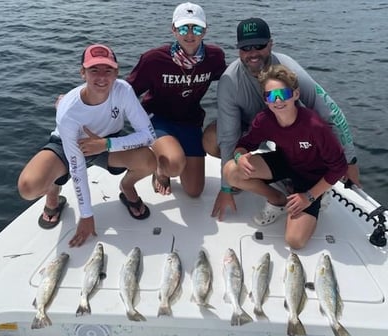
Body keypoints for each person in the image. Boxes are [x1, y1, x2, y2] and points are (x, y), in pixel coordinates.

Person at [203, 17, 360, 221]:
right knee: (212, 138)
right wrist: (226, 187)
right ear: (238, 50)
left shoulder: (288, 69)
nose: (252, 53)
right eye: (245, 48)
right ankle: (274, 195)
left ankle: (303, 181)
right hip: (253, 131)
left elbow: (332, 113)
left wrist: (351, 160)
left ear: (270, 44)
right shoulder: (229, 81)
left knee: (296, 239)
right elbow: (228, 135)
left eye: (259, 46)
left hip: (290, 131)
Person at [18, 44, 157, 247]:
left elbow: (149, 136)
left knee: (148, 161)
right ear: (82, 72)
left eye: (108, 70)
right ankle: (53, 192)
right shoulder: (68, 110)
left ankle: (126, 187)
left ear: (116, 72)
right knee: (28, 187)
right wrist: (86, 215)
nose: (101, 77)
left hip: (105, 144)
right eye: (94, 70)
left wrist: (106, 144)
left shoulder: (123, 90)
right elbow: (77, 165)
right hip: (69, 146)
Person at [223, 64, 348, 249]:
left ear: (296, 94)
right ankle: (278, 199)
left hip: (311, 177)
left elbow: (339, 167)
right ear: (265, 100)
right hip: (285, 161)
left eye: (284, 94)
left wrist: (309, 196)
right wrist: (240, 156)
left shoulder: (314, 126)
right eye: (272, 96)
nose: (278, 101)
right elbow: (244, 145)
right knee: (231, 171)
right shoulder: (264, 120)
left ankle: (322, 194)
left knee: (295, 241)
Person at [126, 2, 226, 197]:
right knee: (173, 165)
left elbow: (232, 79)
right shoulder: (153, 59)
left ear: (205, 31)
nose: (190, 34)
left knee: (194, 191)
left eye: (196, 28)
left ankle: (171, 156)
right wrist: (79, 96)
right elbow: (126, 92)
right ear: (173, 29)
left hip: (190, 122)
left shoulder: (215, 57)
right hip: (159, 119)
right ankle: (160, 170)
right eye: (183, 28)